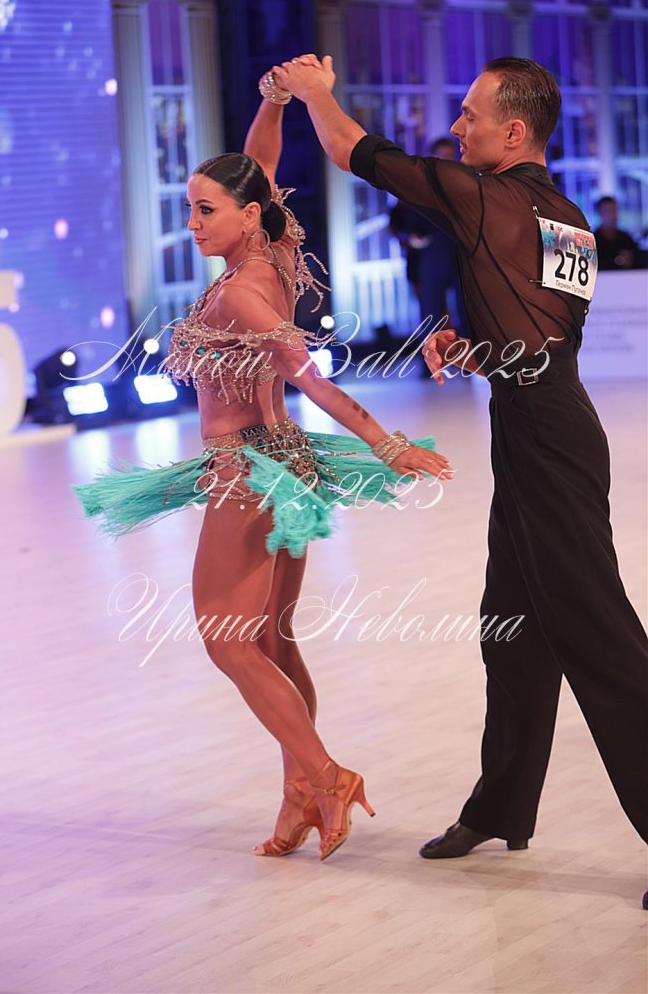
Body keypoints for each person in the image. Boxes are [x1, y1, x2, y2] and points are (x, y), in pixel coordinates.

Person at [274, 53, 648, 902]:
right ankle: (502, 806)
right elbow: (544, 339)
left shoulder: (484, 196)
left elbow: (358, 154)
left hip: (548, 440)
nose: (456, 126)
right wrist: (473, 348)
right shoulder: (568, 219)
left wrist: (317, 92)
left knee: (599, 638)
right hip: (541, 428)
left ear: (513, 132)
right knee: (510, 629)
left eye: (470, 115)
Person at [72, 76, 454, 862]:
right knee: (271, 642)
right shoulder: (272, 252)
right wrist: (275, 102)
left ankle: (327, 775)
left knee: (228, 640)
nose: (192, 222)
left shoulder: (244, 296)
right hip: (287, 463)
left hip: (246, 470)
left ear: (245, 216)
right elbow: (261, 167)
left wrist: (386, 444)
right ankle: (299, 793)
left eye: (204, 209)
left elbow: (313, 379)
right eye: (190, 207)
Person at [389, 136, 470, 346]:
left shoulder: (464, 184)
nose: (447, 162)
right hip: (430, 256)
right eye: (442, 158)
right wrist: (409, 239)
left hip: (459, 255)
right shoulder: (418, 185)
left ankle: (468, 355)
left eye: (450, 157)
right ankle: (432, 355)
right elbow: (397, 219)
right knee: (431, 311)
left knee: (466, 309)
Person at [593, 195, 642, 270]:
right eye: (609, 211)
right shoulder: (593, 240)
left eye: (615, 210)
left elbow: (639, 262)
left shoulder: (626, 238)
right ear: (600, 213)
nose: (613, 215)